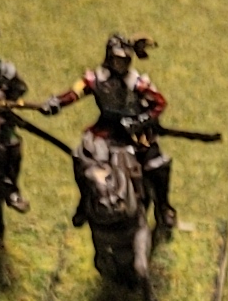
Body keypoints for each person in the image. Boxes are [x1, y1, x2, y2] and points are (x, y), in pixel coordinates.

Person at [48, 33, 180, 241]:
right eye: (117, 59)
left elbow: (159, 103)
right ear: (109, 57)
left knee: (157, 165)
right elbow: (74, 93)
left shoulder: (138, 82)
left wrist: (140, 121)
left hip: (135, 133)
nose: (121, 64)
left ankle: (163, 207)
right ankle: (85, 201)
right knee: (81, 158)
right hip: (105, 130)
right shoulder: (94, 78)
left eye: (125, 60)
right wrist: (56, 102)